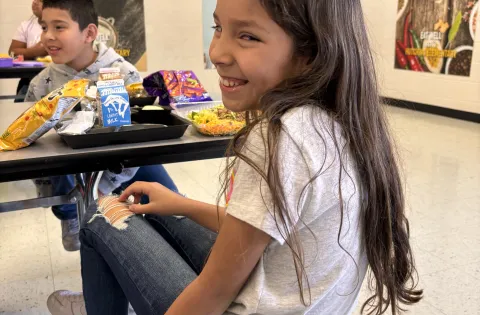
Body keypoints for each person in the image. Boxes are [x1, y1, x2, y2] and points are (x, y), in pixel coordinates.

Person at [47, 0, 423, 314]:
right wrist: (180, 203)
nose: (217, 53)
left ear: (310, 53)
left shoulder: (278, 136)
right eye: (218, 28)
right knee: (154, 213)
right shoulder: (344, 121)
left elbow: (212, 294)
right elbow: (264, 228)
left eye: (247, 36)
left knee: (99, 217)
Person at [25, 0, 179, 252]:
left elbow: (137, 139)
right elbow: (34, 143)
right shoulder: (42, 84)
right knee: (76, 200)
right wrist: (49, 192)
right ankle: (71, 215)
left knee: (171, 203)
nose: (47, 37)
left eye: (59, 27)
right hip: (70, 161)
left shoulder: (123, 74)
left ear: (90, 33)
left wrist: (105, 185)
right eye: (44, 27)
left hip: (122, 156)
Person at [9, 0, 48, 102]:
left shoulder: (64, 26)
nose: (35, 2)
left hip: (57, 81)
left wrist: (26, 52)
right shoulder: (25, 25)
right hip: (29, 80)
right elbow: (13, 54)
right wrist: (35, 51)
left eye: (40, 0)